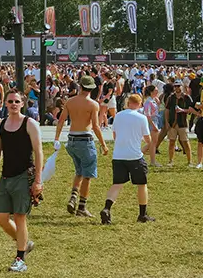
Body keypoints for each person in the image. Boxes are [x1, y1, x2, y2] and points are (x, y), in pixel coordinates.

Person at [0, 90, 44, 272]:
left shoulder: (30, 124)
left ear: (22, 104)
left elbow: (39, 152)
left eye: (16, 101)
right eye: (10, 101)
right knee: (1, 217)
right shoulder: (1, 124)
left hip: (23, 176)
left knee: (20, 217)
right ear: (5, 103)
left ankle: (20, 259)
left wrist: (38, 180)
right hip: (6, 176)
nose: (13, 104)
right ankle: (24, 243)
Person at [53, 76, 107, 217]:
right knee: (87, 174)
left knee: (79, 172)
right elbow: (95, 126)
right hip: (85, 140)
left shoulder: (70, 102)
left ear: (80, 87)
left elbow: (61, 120)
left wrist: (56, 138)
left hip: (71, 140)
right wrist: (103, 144)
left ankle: (73, 197)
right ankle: (82, 207)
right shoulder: (93, 104)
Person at [101, 93, 155, 225]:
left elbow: (115, 135)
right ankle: (142, 214)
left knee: (117, 184)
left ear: (128, 103)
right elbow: (148, 139)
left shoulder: (118, 116)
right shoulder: (141, 118)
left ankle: (107, 208)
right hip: (135, 156)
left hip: (118, 155)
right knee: (142, 185)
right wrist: (144, 148)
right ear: (140, 103)